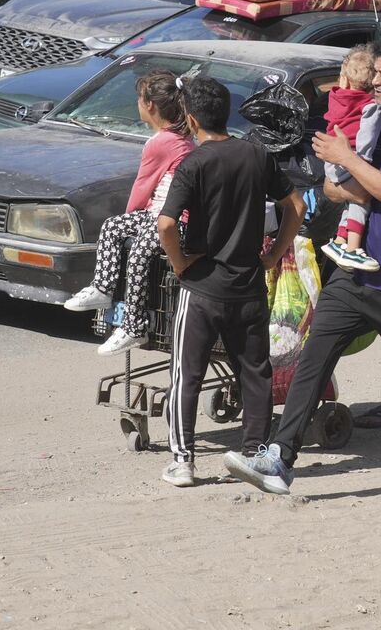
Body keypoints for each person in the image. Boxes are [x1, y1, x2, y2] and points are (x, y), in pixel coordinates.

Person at [225, 33, 381, 499]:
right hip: (353, 270)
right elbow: (334, 190)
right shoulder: (372, 120)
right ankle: (279, 458)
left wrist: (352, 165)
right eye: (373, 73)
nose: (374, 83)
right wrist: (354, 174)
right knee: (312, 359)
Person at [156, 75, 304, 488]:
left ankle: (183, 461)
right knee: (254, 371)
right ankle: (256, 452)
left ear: (189, 117)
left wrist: (181, 263)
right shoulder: (257, 155)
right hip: (249, 285)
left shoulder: (194, 163)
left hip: (202, 287)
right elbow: (296, 205)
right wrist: (274, 252)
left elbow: (166, 224)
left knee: (188, 373)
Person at [61, 71, 193, 350]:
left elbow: (144, 185)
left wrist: (132, 214)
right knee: (112, 226)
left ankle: (134, 326)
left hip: (172, 218)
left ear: (150, 106)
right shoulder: (177, 138)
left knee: (138, 254)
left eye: (139, 99)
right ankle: (102, 288)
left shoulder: (161, 142)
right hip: (158, 214)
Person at [321, 47, 381, 272]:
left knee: (350, 201)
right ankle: (353, 249)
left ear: (345, 80)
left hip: (330, 162)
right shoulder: (371, 106)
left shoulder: (335, 97)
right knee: (360, 200)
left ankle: (340, 242)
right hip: (348, 157)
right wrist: (362, 163)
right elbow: (367, 136)